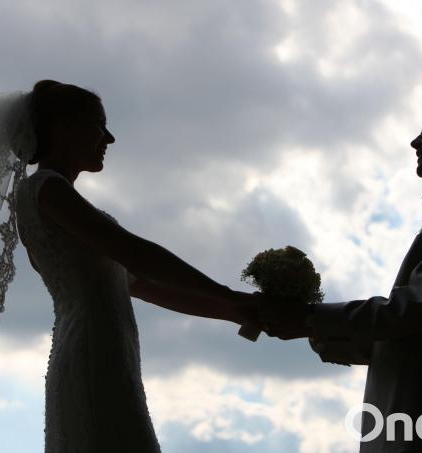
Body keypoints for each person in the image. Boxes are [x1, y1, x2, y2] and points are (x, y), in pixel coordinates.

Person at [13, 80, 256, 453]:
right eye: (99, 125)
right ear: (62, 127)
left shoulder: (46, 195)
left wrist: (234, 310)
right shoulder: (47, 189)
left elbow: (144, 286)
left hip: (98, 351)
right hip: (94, 355)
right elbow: (134, 252)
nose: (109, 138)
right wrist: (227, 295)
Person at [260, 96, 422, 452]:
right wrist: (311, 327)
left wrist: (310, 317)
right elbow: (411, 334)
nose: (415, 142)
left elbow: (412, 311)